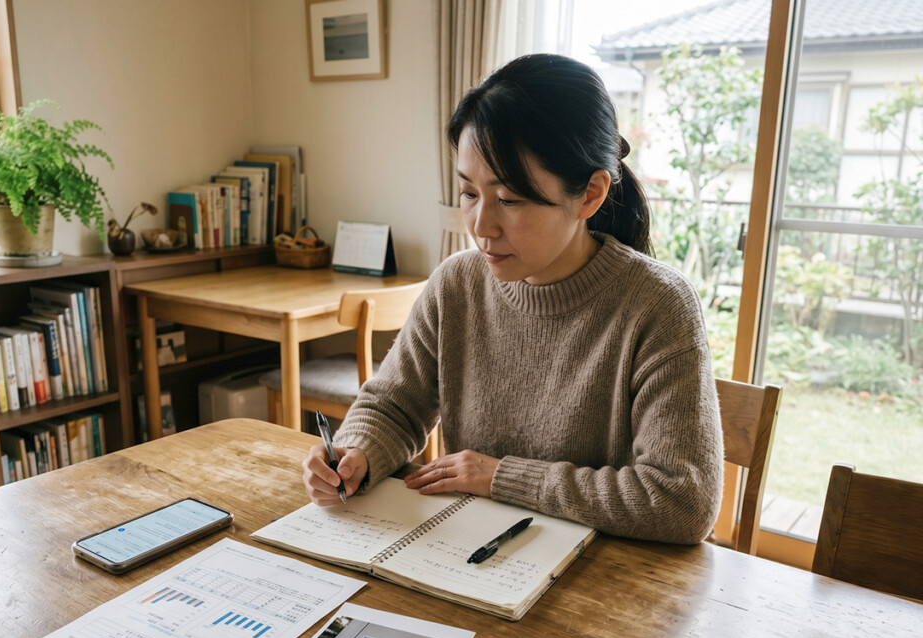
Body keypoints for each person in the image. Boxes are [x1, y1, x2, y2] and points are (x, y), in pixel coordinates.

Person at [302, 53, 723, 545]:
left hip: (605, 581)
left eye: (509, 199)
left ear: (589, 194)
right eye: (468, 193)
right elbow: (393, 406)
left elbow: (681, 501)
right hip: (474, 558)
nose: (481, 226)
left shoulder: (657, 306)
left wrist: (501, 476)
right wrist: (356, 454)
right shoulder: (457, 284)